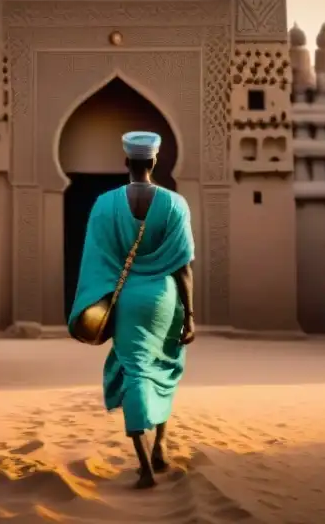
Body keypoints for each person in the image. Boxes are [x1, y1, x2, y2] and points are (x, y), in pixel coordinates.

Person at [67, 130, 197, 489]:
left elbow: (95, 260)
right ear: (155, 162)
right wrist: (189, 314)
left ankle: (144, 468)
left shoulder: (104, 205)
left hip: (127, 300)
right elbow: (184, 266)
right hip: (164, 299)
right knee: (164, 366)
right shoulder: (174, 205)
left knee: (136, 370)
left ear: (126, 162)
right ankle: (160, 447)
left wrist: (97, 297)